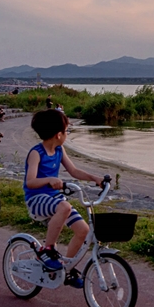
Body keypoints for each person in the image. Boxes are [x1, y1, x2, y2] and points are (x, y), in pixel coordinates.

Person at [23, 109, 107, 288]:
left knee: (83, 231)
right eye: (67, 131)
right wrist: (49, 180)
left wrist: (95, 178)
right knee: (65, 206)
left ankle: (66, 269)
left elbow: (74, 171)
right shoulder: (36, 153)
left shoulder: (59, 150)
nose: (67, 134)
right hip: (36, 199)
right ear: (58, 134)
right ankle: (47, 251)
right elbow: (30, 182)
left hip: (54, 199)